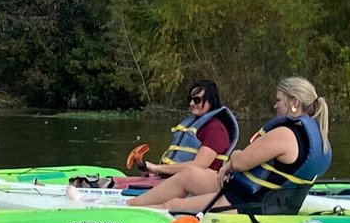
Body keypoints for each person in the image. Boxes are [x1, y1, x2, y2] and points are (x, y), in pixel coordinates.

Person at [129, 78, 332, 215]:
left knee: (173, 206)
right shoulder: (319, 135)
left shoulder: (285, 135)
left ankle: (131, 217)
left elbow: (239, 161)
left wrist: (232, 160)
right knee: (189, 174)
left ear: (294, 102)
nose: (275, 105)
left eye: (279, 100)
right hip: (254, 193)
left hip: (248, 202)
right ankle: (130, 205)